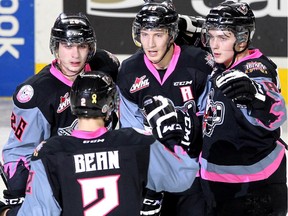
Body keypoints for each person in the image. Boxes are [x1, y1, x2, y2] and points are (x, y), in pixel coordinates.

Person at [0, 71, 199, 216]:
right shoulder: (137, 141)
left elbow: (40, 213)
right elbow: (183, 177)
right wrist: (171, 140)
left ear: (72, 104)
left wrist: (6, 212)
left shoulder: (50, 152)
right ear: (110, 106)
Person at [1, 12, 119, 213]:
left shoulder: (105, 68)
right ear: (56, 47)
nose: (75, 54)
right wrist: (21, 193)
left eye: (82, 46)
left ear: (90, 47)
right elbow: (20, 152)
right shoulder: (37, 93)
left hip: (103, 167)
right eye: (67, 46)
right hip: (59, 176)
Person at [116, 1, 213, 215]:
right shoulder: (129, 71)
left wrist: (190, 128)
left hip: (193, 175)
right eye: (144, 34)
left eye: (158, 35)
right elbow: (130, 133)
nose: (150, 43)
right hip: (152, 177)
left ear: (171, 34)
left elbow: (212, 123)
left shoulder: (198, 64)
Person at [199, 1, 287, 215]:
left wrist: (256, 95)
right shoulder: (220, 63)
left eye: (223, 37)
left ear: (242, 39)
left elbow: (276, 113)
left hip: (254, 189)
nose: (214, 44)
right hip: (217, 185)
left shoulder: (256, 69)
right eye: (211, 36)